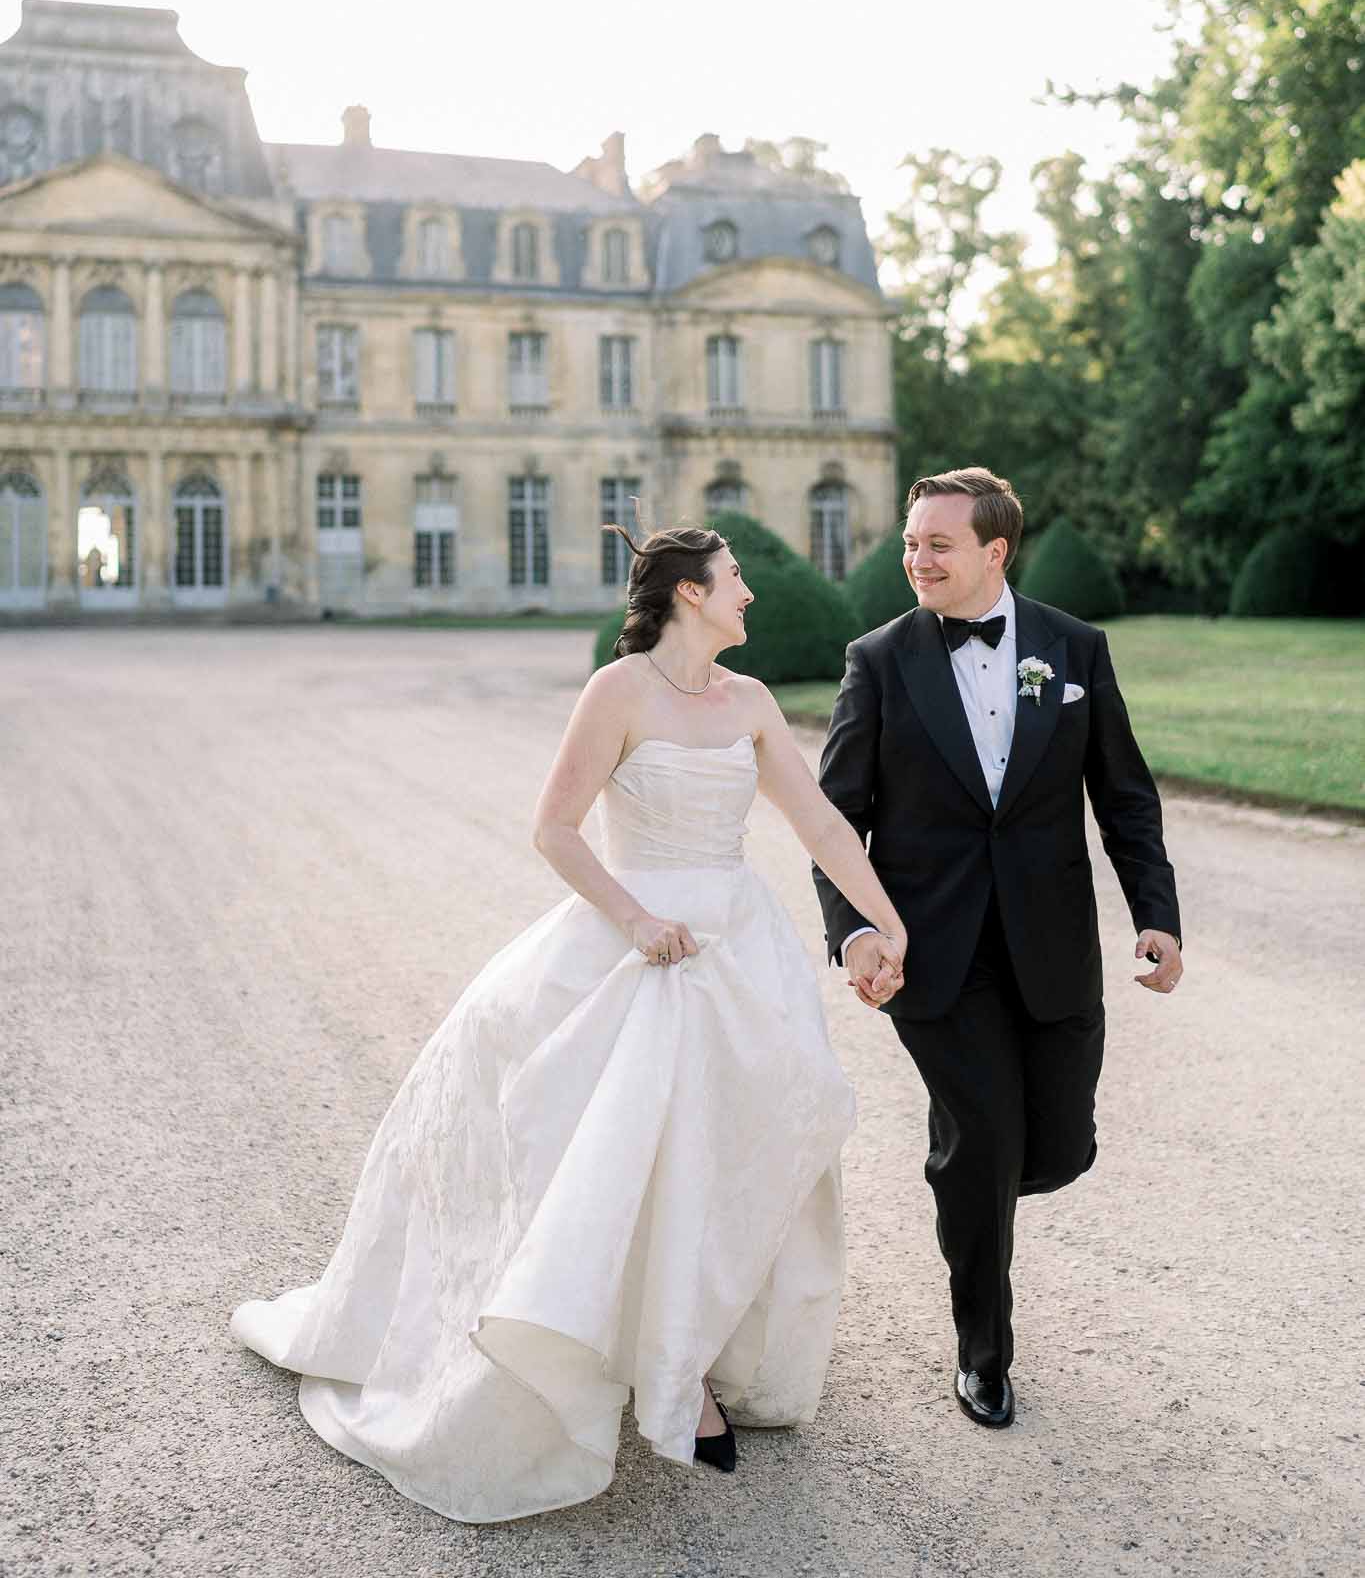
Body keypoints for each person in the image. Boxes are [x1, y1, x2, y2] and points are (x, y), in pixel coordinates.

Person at [231, 523, 906, 1523]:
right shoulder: (618, 690)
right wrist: (633, 918)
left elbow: (816, 821)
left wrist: (884, 915)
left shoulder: (752, 702)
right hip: (636, 947)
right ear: (688, 592)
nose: (752, 594)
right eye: (735, 580)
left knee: (731, 1153)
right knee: (618, 1158)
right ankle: (637, 1370)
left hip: (739, 947)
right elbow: (554, 827)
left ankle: (690, 1355)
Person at [813, 467, 1183, 1430]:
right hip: (931, 953)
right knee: (981, 1141)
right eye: (909, 541)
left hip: (1051, 943)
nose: (915, 559)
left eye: (937, 544)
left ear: (993, 551)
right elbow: (831, 822)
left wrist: (1156, 913)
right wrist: (853, 932)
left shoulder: (1074, 649)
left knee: (1052, 1147)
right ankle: (983, 1352)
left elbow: (1123, 796)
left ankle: (977, 1167)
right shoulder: (878, 659)